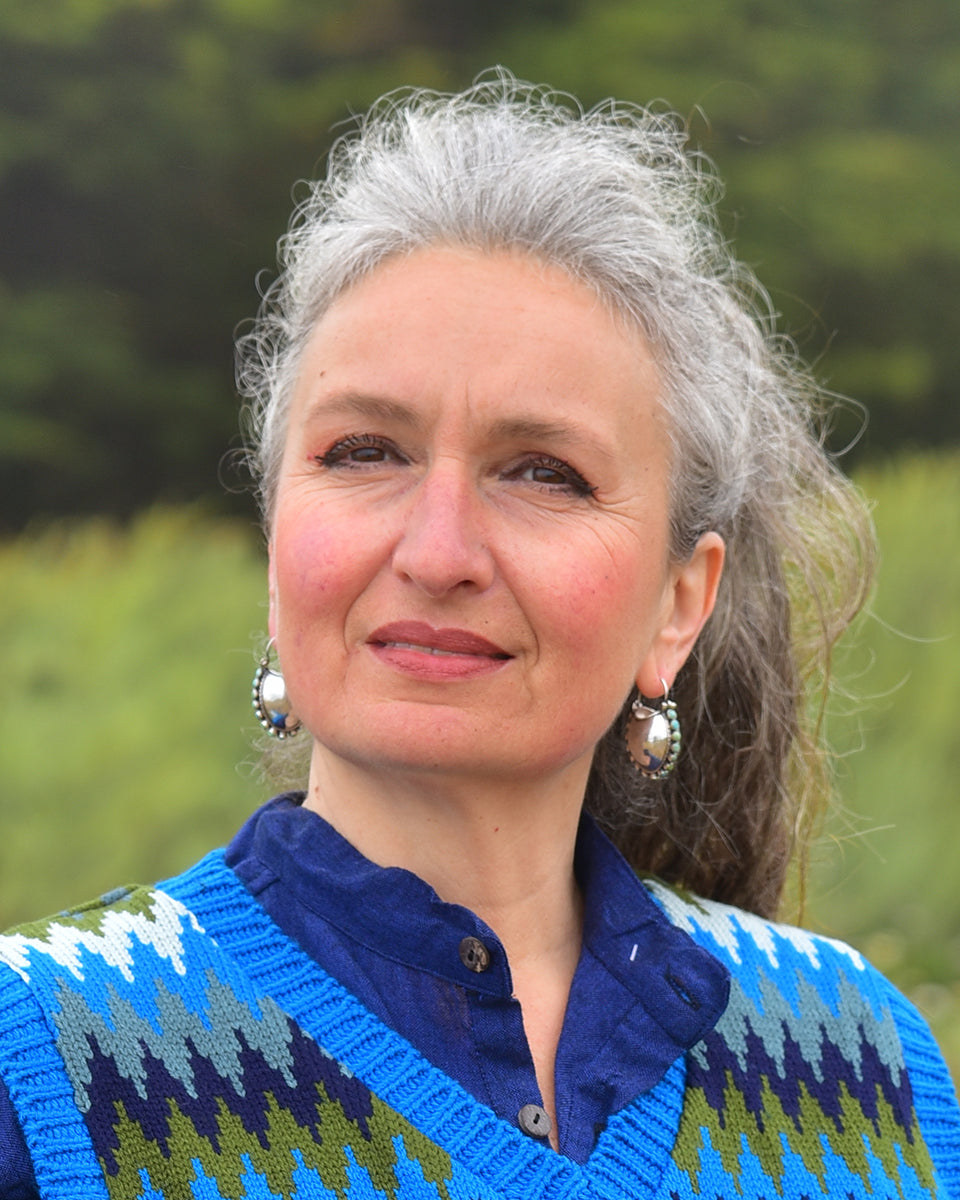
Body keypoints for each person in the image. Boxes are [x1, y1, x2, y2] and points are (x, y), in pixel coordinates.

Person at [0, 73, 957, 1200]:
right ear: (276, 547)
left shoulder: (859, 1073)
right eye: (363, 452)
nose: (437, 549)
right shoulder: (45, 1070)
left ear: (678, 605)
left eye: (542, 472)